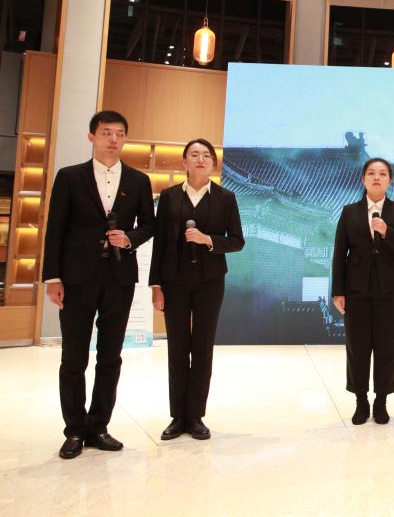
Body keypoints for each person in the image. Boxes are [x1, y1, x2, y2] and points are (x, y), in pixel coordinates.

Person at [42, 110, 155, 459]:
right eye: (106, 132)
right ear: (92, 137)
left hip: (119, 277)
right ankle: (74, 429)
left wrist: (130, 238)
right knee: (73, 357)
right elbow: (56, 228)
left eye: (119, 133)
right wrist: (52, 277)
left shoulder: (138, 180)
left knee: (110, 356)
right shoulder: (69, 177)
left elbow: (150, 225)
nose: (113, 139)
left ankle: (99, 426)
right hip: (76, 278)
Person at [150, 139, 244, 441]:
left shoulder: (226, 198)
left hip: (210, 282)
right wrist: (156, 285)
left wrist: (208, 240)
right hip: (174, 281)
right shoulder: (168, 197)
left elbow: (237, 241)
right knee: (177, 347)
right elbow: (160, 243)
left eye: (206, 155)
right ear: (184, 162)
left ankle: (196, 416)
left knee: (202, 347)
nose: (200, 159)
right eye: (194, 155)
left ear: (213, 164)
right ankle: (177, 416)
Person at [331, 158, 394, 425]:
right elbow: (339, 252)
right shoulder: (349, 212)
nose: (376, 177)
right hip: (356, 289)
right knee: (357, 346)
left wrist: (387, 231)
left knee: (386, 345)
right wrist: (338, 291)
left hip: (390, 289)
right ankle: (361, 401)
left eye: (382, 174)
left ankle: (381, 401)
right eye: (371, 173)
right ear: (363, 179)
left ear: (390, 180)